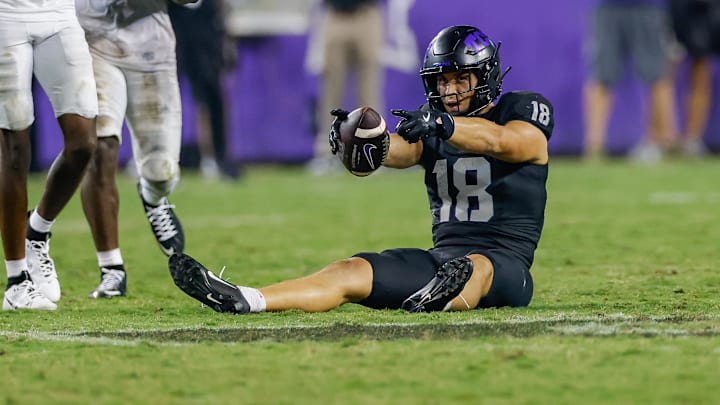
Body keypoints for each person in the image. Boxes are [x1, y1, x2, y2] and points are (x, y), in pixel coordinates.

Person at [168, 25, 554, 314]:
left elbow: (512, 143)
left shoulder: (518, 111)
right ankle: (248, 299)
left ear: (484, 77)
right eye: (442, 81)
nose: (449, 90)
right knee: (350, 270)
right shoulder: (435, 125)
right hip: (440, 261)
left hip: (506, 266)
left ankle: (442, 301)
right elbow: (395, 151)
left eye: (459, 79)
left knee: (475, 267)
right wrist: (359, 140)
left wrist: (444, 126)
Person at [75, 0, 199, 299]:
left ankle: (153, 195)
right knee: (100, 145)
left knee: (162, 171)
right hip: (90, 40)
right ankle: (111, 268)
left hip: (149, 49)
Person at [1, 0, 98, 310]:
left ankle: (38, 229)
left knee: (83, 143)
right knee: (14, 146)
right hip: (7, 14)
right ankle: (16, 281)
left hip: (58, 13)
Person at [583, 0, 677, 163]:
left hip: (648, 7)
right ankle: (594, 147)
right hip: (609, 7)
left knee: (657, 75)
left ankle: (665, 141)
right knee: (601, 75)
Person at [307, 0, 384, 175]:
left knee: (368, 91)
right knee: (331, 91)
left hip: (367, 14)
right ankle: (327, 153)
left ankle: (373, 151)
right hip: (336, 15)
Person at [168, 0, 240, 179]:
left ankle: (216, 158)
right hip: (173, 18)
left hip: (205, 23)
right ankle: (162, 159)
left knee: (211, 95)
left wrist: (225, 30)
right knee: (165, 93)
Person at [669, 0, 720, 157]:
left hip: (706, 9)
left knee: (701, 69)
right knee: (664, 71)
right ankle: (664, 138)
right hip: (676, 8)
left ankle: (692, 140)